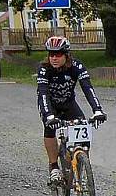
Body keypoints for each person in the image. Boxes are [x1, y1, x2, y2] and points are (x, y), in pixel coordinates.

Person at [38, 37, 106, 186]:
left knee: (83, 131)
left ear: (66, 55)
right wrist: (49, 115)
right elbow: (43, 94)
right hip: (50, 105)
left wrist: (97, 110)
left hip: (69, 104)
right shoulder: (44, 69)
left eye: (58, 54)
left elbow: (88, 88)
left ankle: (77, 164)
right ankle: (54, 167)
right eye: (51, 54)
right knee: (49, 128)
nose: (54, 58)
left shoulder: (76, 66)